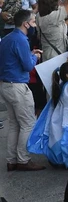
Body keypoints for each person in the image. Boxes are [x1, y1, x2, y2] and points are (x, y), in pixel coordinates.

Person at [0, 10, 45, 171]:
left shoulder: (7, 39)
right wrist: (35, 57)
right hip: (18, 85)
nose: (34, 25)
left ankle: (12, 159)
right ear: (25, 23)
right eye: (33, 22)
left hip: (6, 84)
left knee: (14, 124)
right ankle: (23, 159)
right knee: (27, 123)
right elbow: (28, 66)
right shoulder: (20, 40)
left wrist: (29, 54)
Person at [27, 55, 68, 168]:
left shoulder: (62, 84)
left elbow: (67, 71)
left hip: (57, 120)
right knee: (67, 140)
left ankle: (59, 159)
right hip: (66, 120)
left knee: (59, 139)